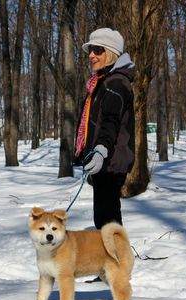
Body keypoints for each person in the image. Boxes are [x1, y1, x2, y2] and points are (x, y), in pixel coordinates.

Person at [74, 27, 135, 231]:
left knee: (107, 221)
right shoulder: (103, 82)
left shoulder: (116, 83)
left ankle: (117, 260)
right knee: (104, 219)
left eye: (97, 50)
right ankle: (113, 258)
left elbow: (110, 121)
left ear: (111, 53)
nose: (91, 55)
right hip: (104, 159)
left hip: (111, 159)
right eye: (91, 49)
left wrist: (100, 149)